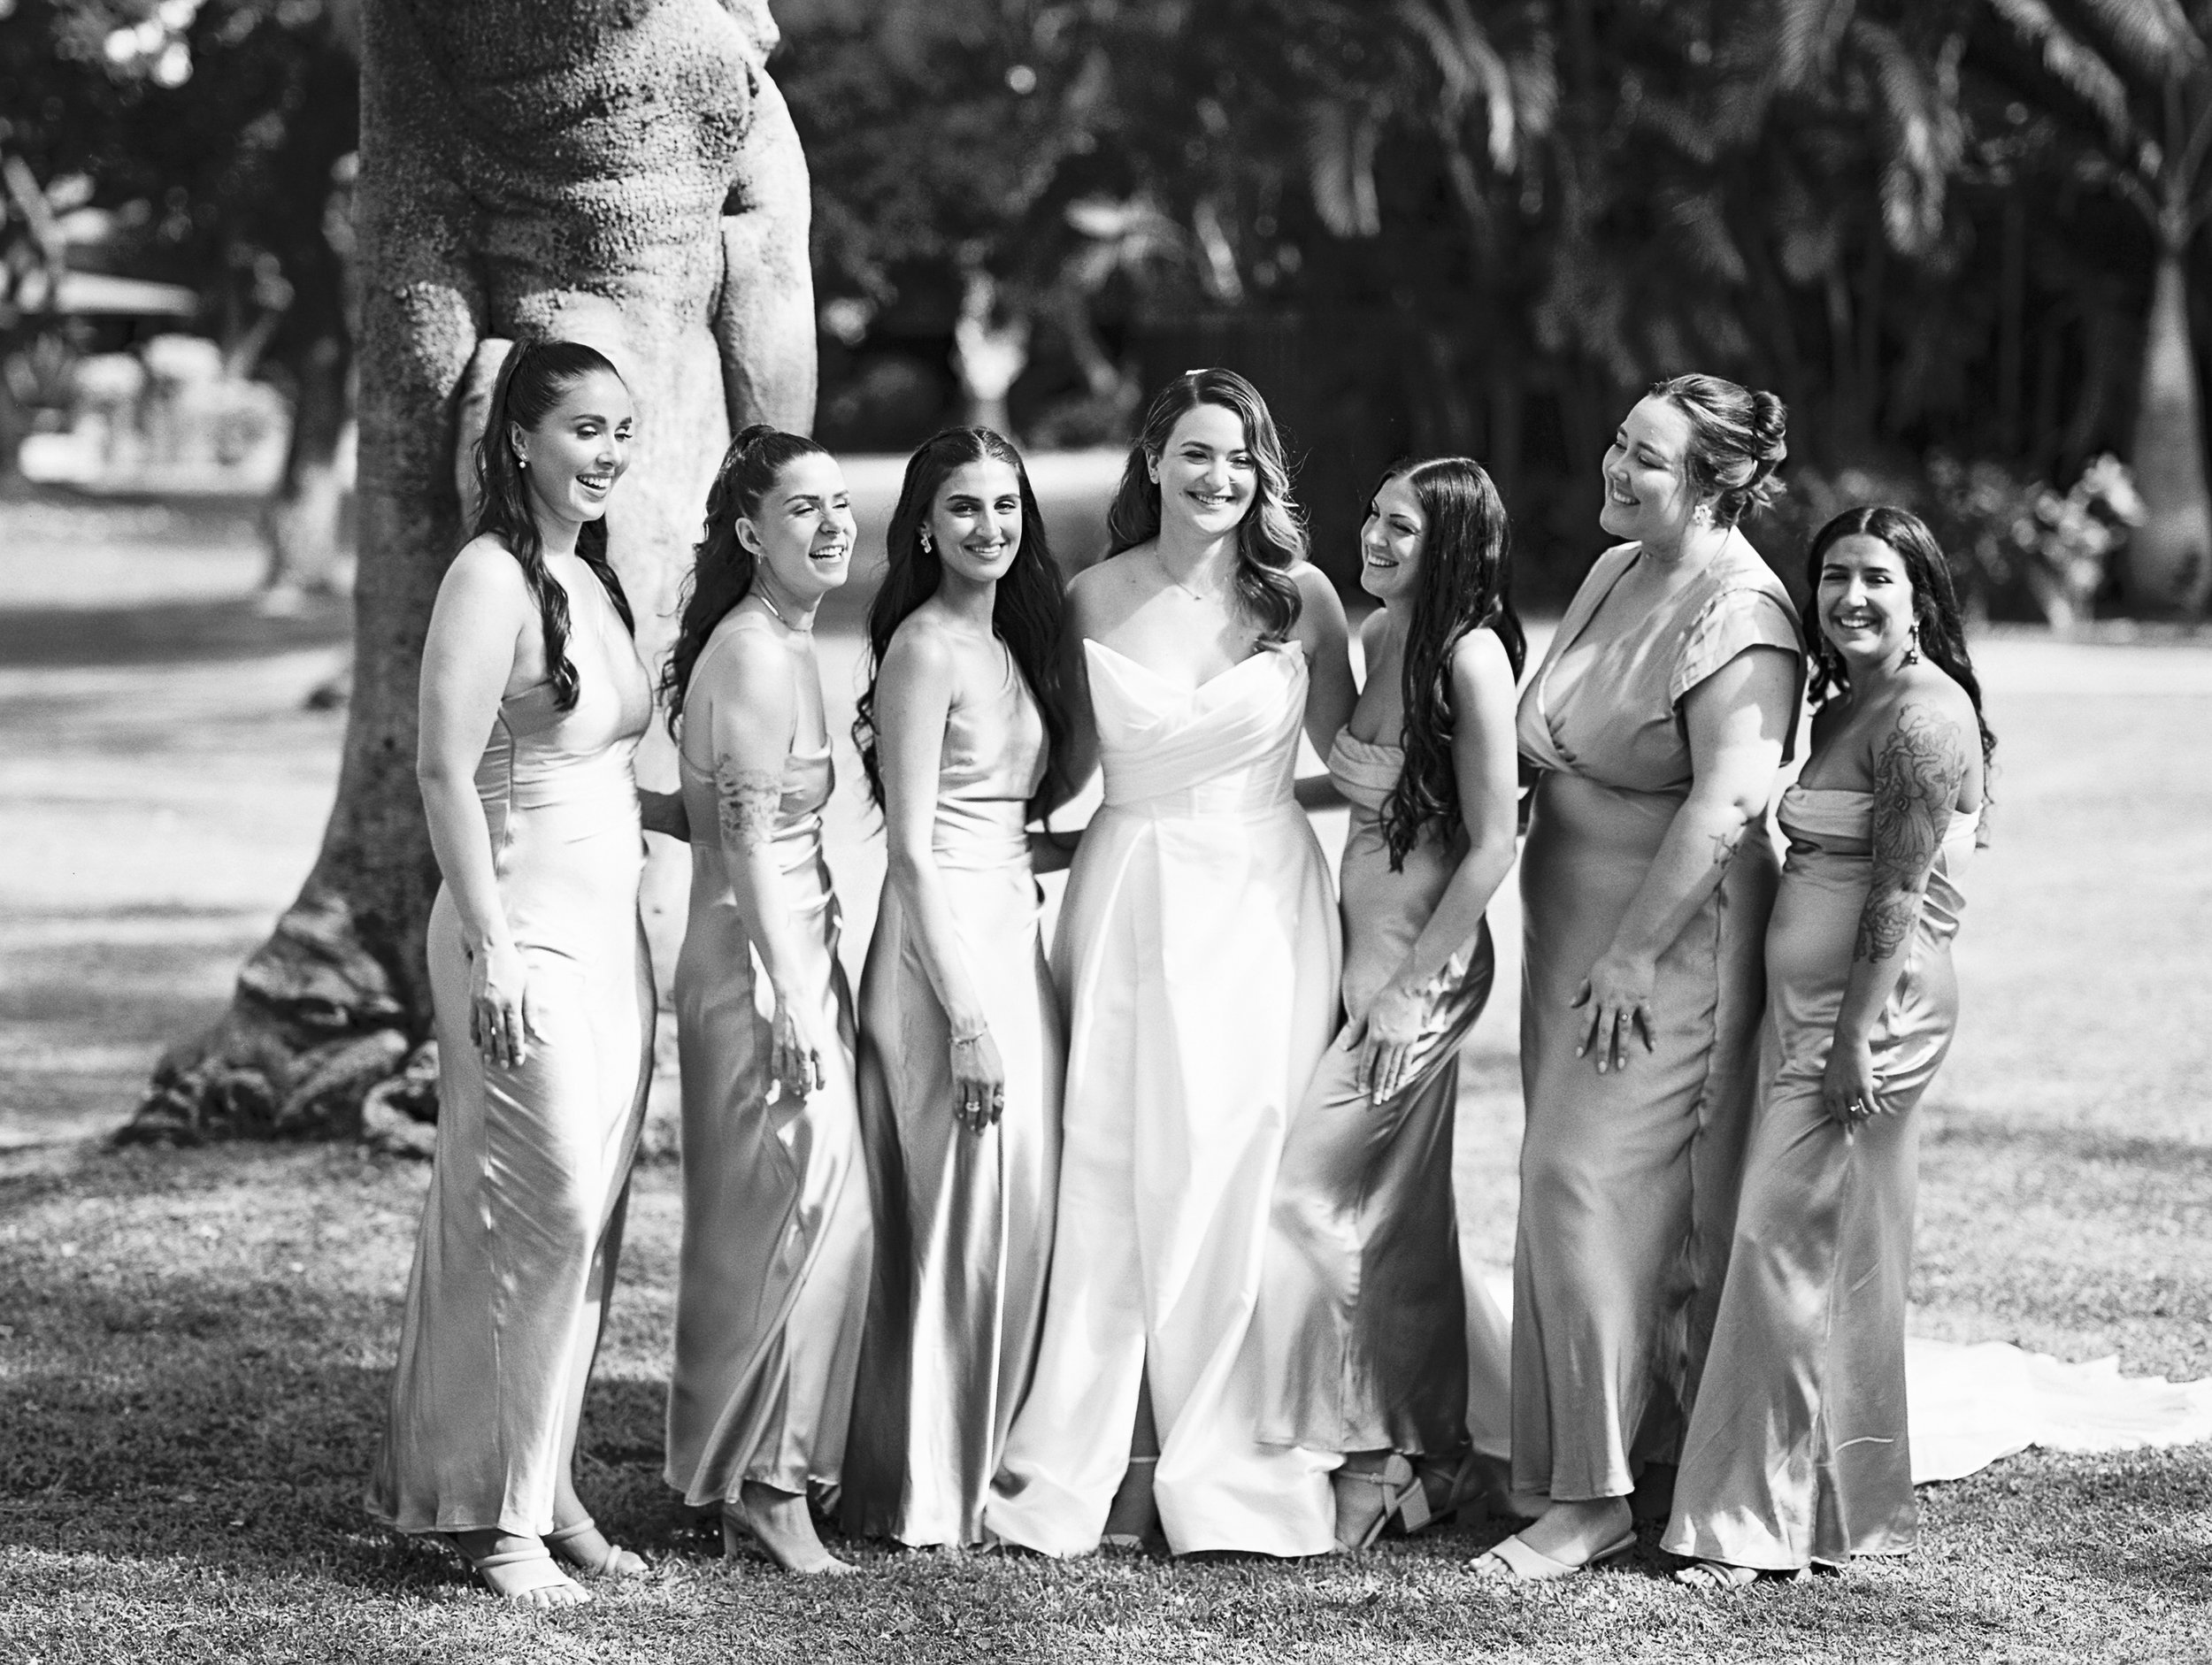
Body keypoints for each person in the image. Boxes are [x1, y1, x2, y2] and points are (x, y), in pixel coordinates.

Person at [983, 368, 1356, 1559]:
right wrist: (977, 845)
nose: (1218, 478)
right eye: (1196, 454)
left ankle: (1236, 1440)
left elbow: (1357, 761)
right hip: (1132, 888)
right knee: (1119, 1159)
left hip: (1262, 900)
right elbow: (1068, 768)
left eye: (1240, 458)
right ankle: (1121, 1445)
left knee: (1245, 1155)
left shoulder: (1301, 599)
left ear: (1264, 474)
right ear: (1152, 460)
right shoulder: (1088, 597)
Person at [1484, 373, 1802, 1583]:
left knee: (1582, 1182)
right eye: (1620, 442)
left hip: (1664, 944)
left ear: (1717, 483)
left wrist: (1633, 950)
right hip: (1572, 934)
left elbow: (1725, 802)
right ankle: (1634, 1446)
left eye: (1650, 460)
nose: (1618, 469)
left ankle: (1591, 1497)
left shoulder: (1746, 615)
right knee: (1598, 1197)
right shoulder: (1623, 569)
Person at [367, 340, 655, 1608]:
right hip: (518, 932)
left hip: (612, 945)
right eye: (586, 428)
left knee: (586, 1233)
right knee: (550, 1206)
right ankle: (499, 1527)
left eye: (624, 431)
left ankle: (548, 1489)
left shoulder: (589, 576)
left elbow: (604, 764)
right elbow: (443, 771)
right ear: (522, 440)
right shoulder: (489, 576)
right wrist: (488, 943)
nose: (608, 453)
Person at [1664, 506, 1991, 1587]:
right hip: (1816, 1016)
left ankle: (1749, 1523)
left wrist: (1851, 1037)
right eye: (1835, 576)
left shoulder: (1925, 720)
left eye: (1877, 579)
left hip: (1872, 1019)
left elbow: (1896, 893)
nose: (1851, 596)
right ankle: (1836, 1507)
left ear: (1921, 598)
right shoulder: (1852, 699)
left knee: (1777, 1242)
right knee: (1831, 1250)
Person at [1246, 457, 1525, 1553]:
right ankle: (1427, 1453)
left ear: (1451, 543)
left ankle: (1380, 1448)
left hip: (1426, 971)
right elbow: (1364, 777)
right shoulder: (1375, 636)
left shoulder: (1470, 659)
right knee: (1393, 1219)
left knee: (1306, 1199)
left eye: (1402, 528)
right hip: (1357, 959)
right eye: (1373, 516)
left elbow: (1494, 839)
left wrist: (1412, 991)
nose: (1375, 536)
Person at [840, 428, 1075, 1547]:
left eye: (1006, 505)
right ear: (924, 526)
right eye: (965, 507)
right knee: (950, 1204)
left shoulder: (1012, 642)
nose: (991, 526)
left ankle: (981, 1458)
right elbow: (914, 852)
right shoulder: (925, 649)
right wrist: (968, 1016)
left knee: (1015, 1199)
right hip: (940, 957)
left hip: (1007, 930)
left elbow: (1008, 827)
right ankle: (921, 1482)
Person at [660, 425, 872, 1577]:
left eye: (841, 503)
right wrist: (793, 1000)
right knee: (802, 1221)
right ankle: (767, 1486)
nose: (833, 524)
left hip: (792, 958)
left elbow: (703, 808)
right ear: (750, 530)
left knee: (784, 1222)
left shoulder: (784, 642)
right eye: (804, 508)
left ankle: (750, 1467)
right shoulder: (751, 649)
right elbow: (742, 835)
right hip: (759, 975)